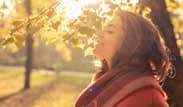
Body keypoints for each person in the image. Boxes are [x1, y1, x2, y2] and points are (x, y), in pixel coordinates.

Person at [75, 10, 170, 107]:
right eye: (103, 29)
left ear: (132, 43)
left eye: (110, 31)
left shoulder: (145, 94)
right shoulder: (104, 82)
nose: (99, 35)